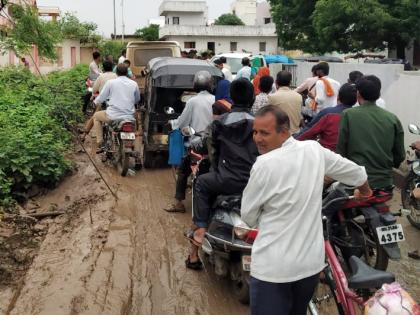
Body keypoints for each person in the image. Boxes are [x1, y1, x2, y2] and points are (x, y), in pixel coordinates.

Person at [241, 105, 372, 315]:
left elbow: (248, 216)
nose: (257, 138)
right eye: (255, 132)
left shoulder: (263, 165)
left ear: (284, 132)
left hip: (273, 270)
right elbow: (355, 173)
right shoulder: (313, 150)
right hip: (309, 267)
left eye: (265, 133)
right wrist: (364, 192)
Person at [184, 78, 259, 270]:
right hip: (256, 182)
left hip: (225, 180)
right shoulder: (259, 123)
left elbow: (210, 149)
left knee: (200, 183)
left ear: (231, 98)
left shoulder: (220, 123)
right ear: (252, 98)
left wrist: (217, 168)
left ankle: (200, 228)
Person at [337, 75, 405, 190]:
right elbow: (400, 155)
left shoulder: (348, 114)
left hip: (355, 181)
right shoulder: (392, 118)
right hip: (385, 182)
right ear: (378, 94)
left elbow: (341, 151)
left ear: (358, 94)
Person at [164, 71, 215, 213]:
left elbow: (182, 122)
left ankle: (179, 203)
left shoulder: (192, 101)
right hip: (214, 144)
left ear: (196, 85)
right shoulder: (216, 99)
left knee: (182, 171)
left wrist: (172, 123)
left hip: (197, 144)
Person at [92, 64, 140, 153]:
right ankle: (135, 150)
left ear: (116, 72)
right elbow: (137, 99)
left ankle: (100, 142)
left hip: (112, 116)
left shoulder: (110, 83)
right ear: (127, 73)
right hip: (129, 117)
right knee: (135, 130)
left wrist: (95, 102)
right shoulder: (134, 84)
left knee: (96, 116)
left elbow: (101, 97)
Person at [295, 83, 357, 151]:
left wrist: (292, 141)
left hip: (327, 154)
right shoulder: (358, 116)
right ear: (356, 100)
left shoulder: (328, 113)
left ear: (338, 96)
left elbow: (308, 131)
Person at [80, 61, 119, 141]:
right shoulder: (116, 76)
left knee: (95, 116)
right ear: (112, 67)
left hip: (104, 102)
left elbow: (94, 89)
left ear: (103, 68)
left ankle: (87, 135)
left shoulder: (101, 77)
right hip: (116, 102)